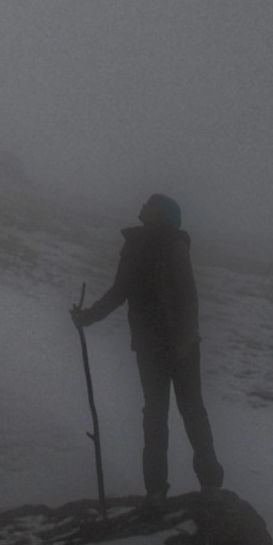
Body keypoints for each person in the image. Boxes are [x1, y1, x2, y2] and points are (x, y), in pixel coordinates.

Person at [73, 193, 224, 509]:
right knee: (170, 415)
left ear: (162, 214)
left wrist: (184, 340)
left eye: (150, 204)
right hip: (157, 346)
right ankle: (170, 489)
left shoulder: (170, 245)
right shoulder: (138, 245)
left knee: (176, 414)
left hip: (171, 346)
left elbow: (185, 296)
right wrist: (88, 317)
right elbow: (122, 291)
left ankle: (197, 485)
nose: (142, 206)